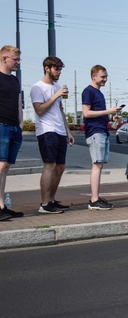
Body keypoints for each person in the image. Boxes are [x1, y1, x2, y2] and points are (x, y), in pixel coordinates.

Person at [30, 56, 74, 214]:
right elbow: (40, 110)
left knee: (61, 166)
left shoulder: (57, 86)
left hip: (60, 130)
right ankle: (44, 203)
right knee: (50, 165)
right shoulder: (37, 87)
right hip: (46, 130)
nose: (59, 72)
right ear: (47, 68)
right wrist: (55, 95)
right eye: (56, 68)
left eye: (60, 69)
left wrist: (68, 131)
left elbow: (60, 110)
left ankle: (52, 200)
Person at [82, 65, 122, 210]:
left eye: (106, 76)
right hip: (95, 132)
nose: (105, 79)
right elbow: (86, 113)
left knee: (99, 164)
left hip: (101, 131)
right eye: (102, 76)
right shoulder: (89, 91)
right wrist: (108, 111)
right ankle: (94, 200)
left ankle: (96, 198)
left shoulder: (99, 93)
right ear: (94, 76)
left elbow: (97, 114)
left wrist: (111, 118)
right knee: (97, 164)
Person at [0, 45, 24, 220]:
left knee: (6, 167)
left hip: (15, 127)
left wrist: (21, 124)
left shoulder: (15, 80)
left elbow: (18, 103)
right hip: (1, 126)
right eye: (15, 59)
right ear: (4, 59)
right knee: (0, 166)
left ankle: (2, 206)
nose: (18, 62)